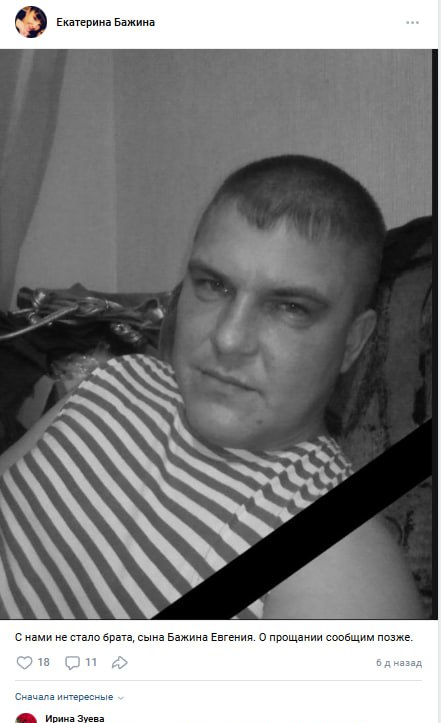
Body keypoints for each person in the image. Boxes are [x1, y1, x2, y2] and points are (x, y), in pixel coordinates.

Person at [0, 155, 423, 619]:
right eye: (214, 285)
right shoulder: (118, 380)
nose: (229, 339)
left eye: (291, 307)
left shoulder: (344, 572)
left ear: (352, 343)